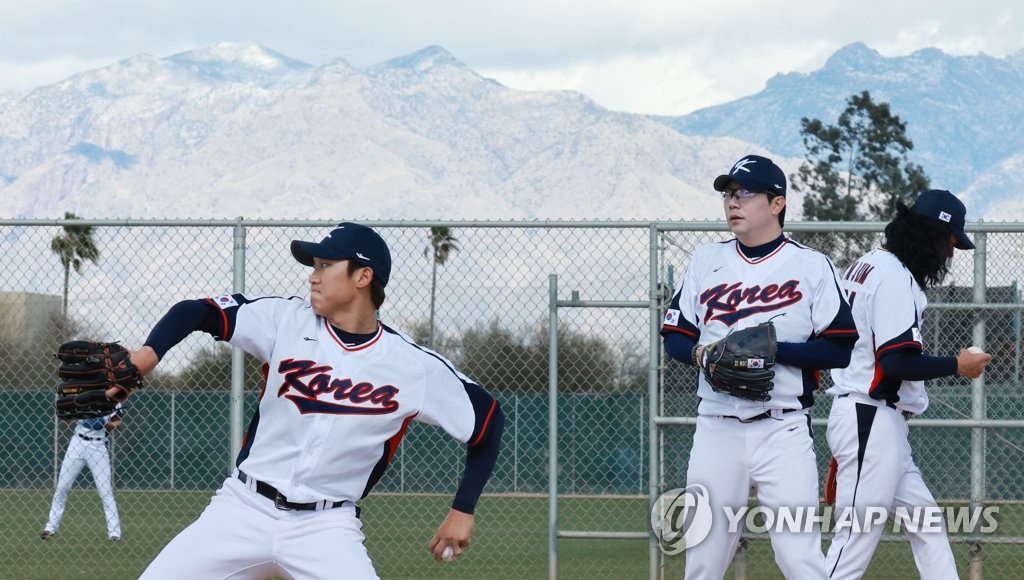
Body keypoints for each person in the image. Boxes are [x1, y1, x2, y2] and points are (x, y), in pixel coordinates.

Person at [131, 222, 504, 579]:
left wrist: (463, 510)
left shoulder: (412, 365)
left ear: (363, 277)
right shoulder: (286, 320)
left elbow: (488, 421)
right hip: (242, 509)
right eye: (314, 266)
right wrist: (147, 356)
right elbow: (199, 312)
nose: (313, 275)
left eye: (326, 265)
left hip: (326, 528)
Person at [661, 154, 859, 578]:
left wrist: (771, 352)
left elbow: (840, 347)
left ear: (777, 204)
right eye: (729, 194)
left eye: (745, 193)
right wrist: (703, 355)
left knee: (799, 559)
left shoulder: (811, 266)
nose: (733, 202)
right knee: (702, 561)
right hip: (716, 426)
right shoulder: (705, 261)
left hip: (783, 429)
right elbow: (675, 335)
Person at [824, 189, 992, 579]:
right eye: (949, 243)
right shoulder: (894, 276)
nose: (949, 255)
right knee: (852, 543)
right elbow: (896, 361)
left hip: (874, 420)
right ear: (930, 235)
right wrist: (957, 365)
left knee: (928, 526)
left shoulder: (867, 263)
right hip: (871, 419)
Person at [41, 404, 125, 542]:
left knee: (105, 490)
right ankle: (50, 528)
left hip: (98, 445)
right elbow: (66, 421)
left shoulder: (115, 401)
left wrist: (103, 422)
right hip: (77, 442)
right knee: (62, 487)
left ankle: (114, 533)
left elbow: (117, 423)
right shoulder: (86, 393)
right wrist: (72, 414)